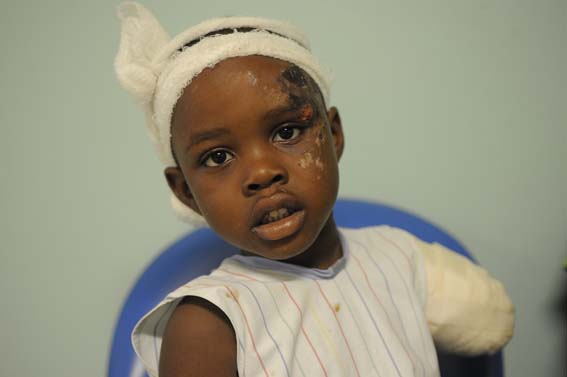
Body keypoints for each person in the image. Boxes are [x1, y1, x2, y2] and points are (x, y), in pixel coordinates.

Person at [115, 3, 515, 376]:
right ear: (185, 191)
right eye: (218, 157)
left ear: (333, 134)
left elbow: (489, 320)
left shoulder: (397, 255)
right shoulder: (209, 323)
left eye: (287, 131)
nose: (262, 172)